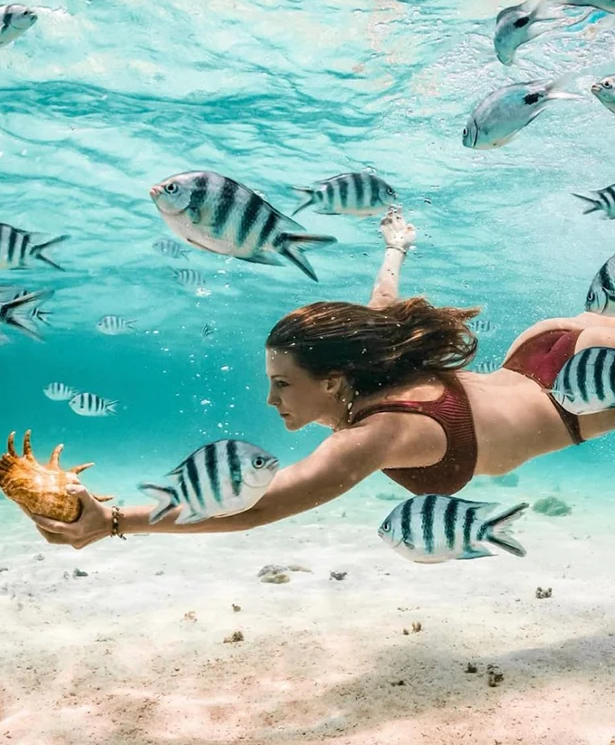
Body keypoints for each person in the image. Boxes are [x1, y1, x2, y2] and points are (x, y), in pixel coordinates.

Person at [20, 209, 615, 549]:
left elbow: (259, 505)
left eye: (282, 383)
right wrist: (395, 246)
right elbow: (383, 302)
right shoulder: (374, 362)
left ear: (333, 381)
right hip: (551, 359)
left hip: (586, 396)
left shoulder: (381, 432)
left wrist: (116, 522)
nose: (270, 397)